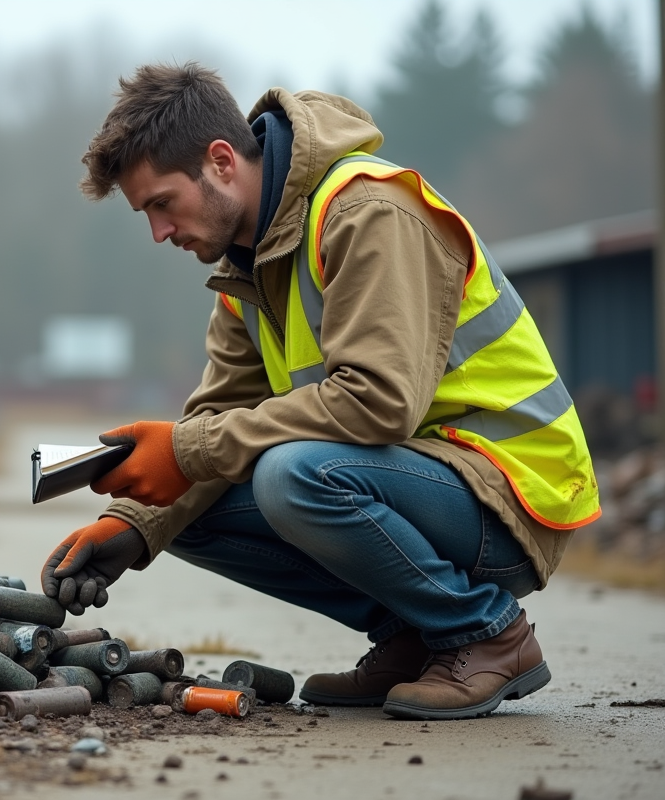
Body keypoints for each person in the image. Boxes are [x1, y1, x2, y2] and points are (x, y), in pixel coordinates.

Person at [39, 62, 601, 721]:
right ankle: (411, 637)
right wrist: (131, 527)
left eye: (162, 204)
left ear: (221, 162)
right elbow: (218, 423)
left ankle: (485, 634)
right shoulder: (245, 276)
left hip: (508, 493)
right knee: (183, 504)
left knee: (286, 475)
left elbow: (378, 402)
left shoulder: (368, 213)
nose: (160, 232)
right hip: (414, 483)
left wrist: (189, 449)